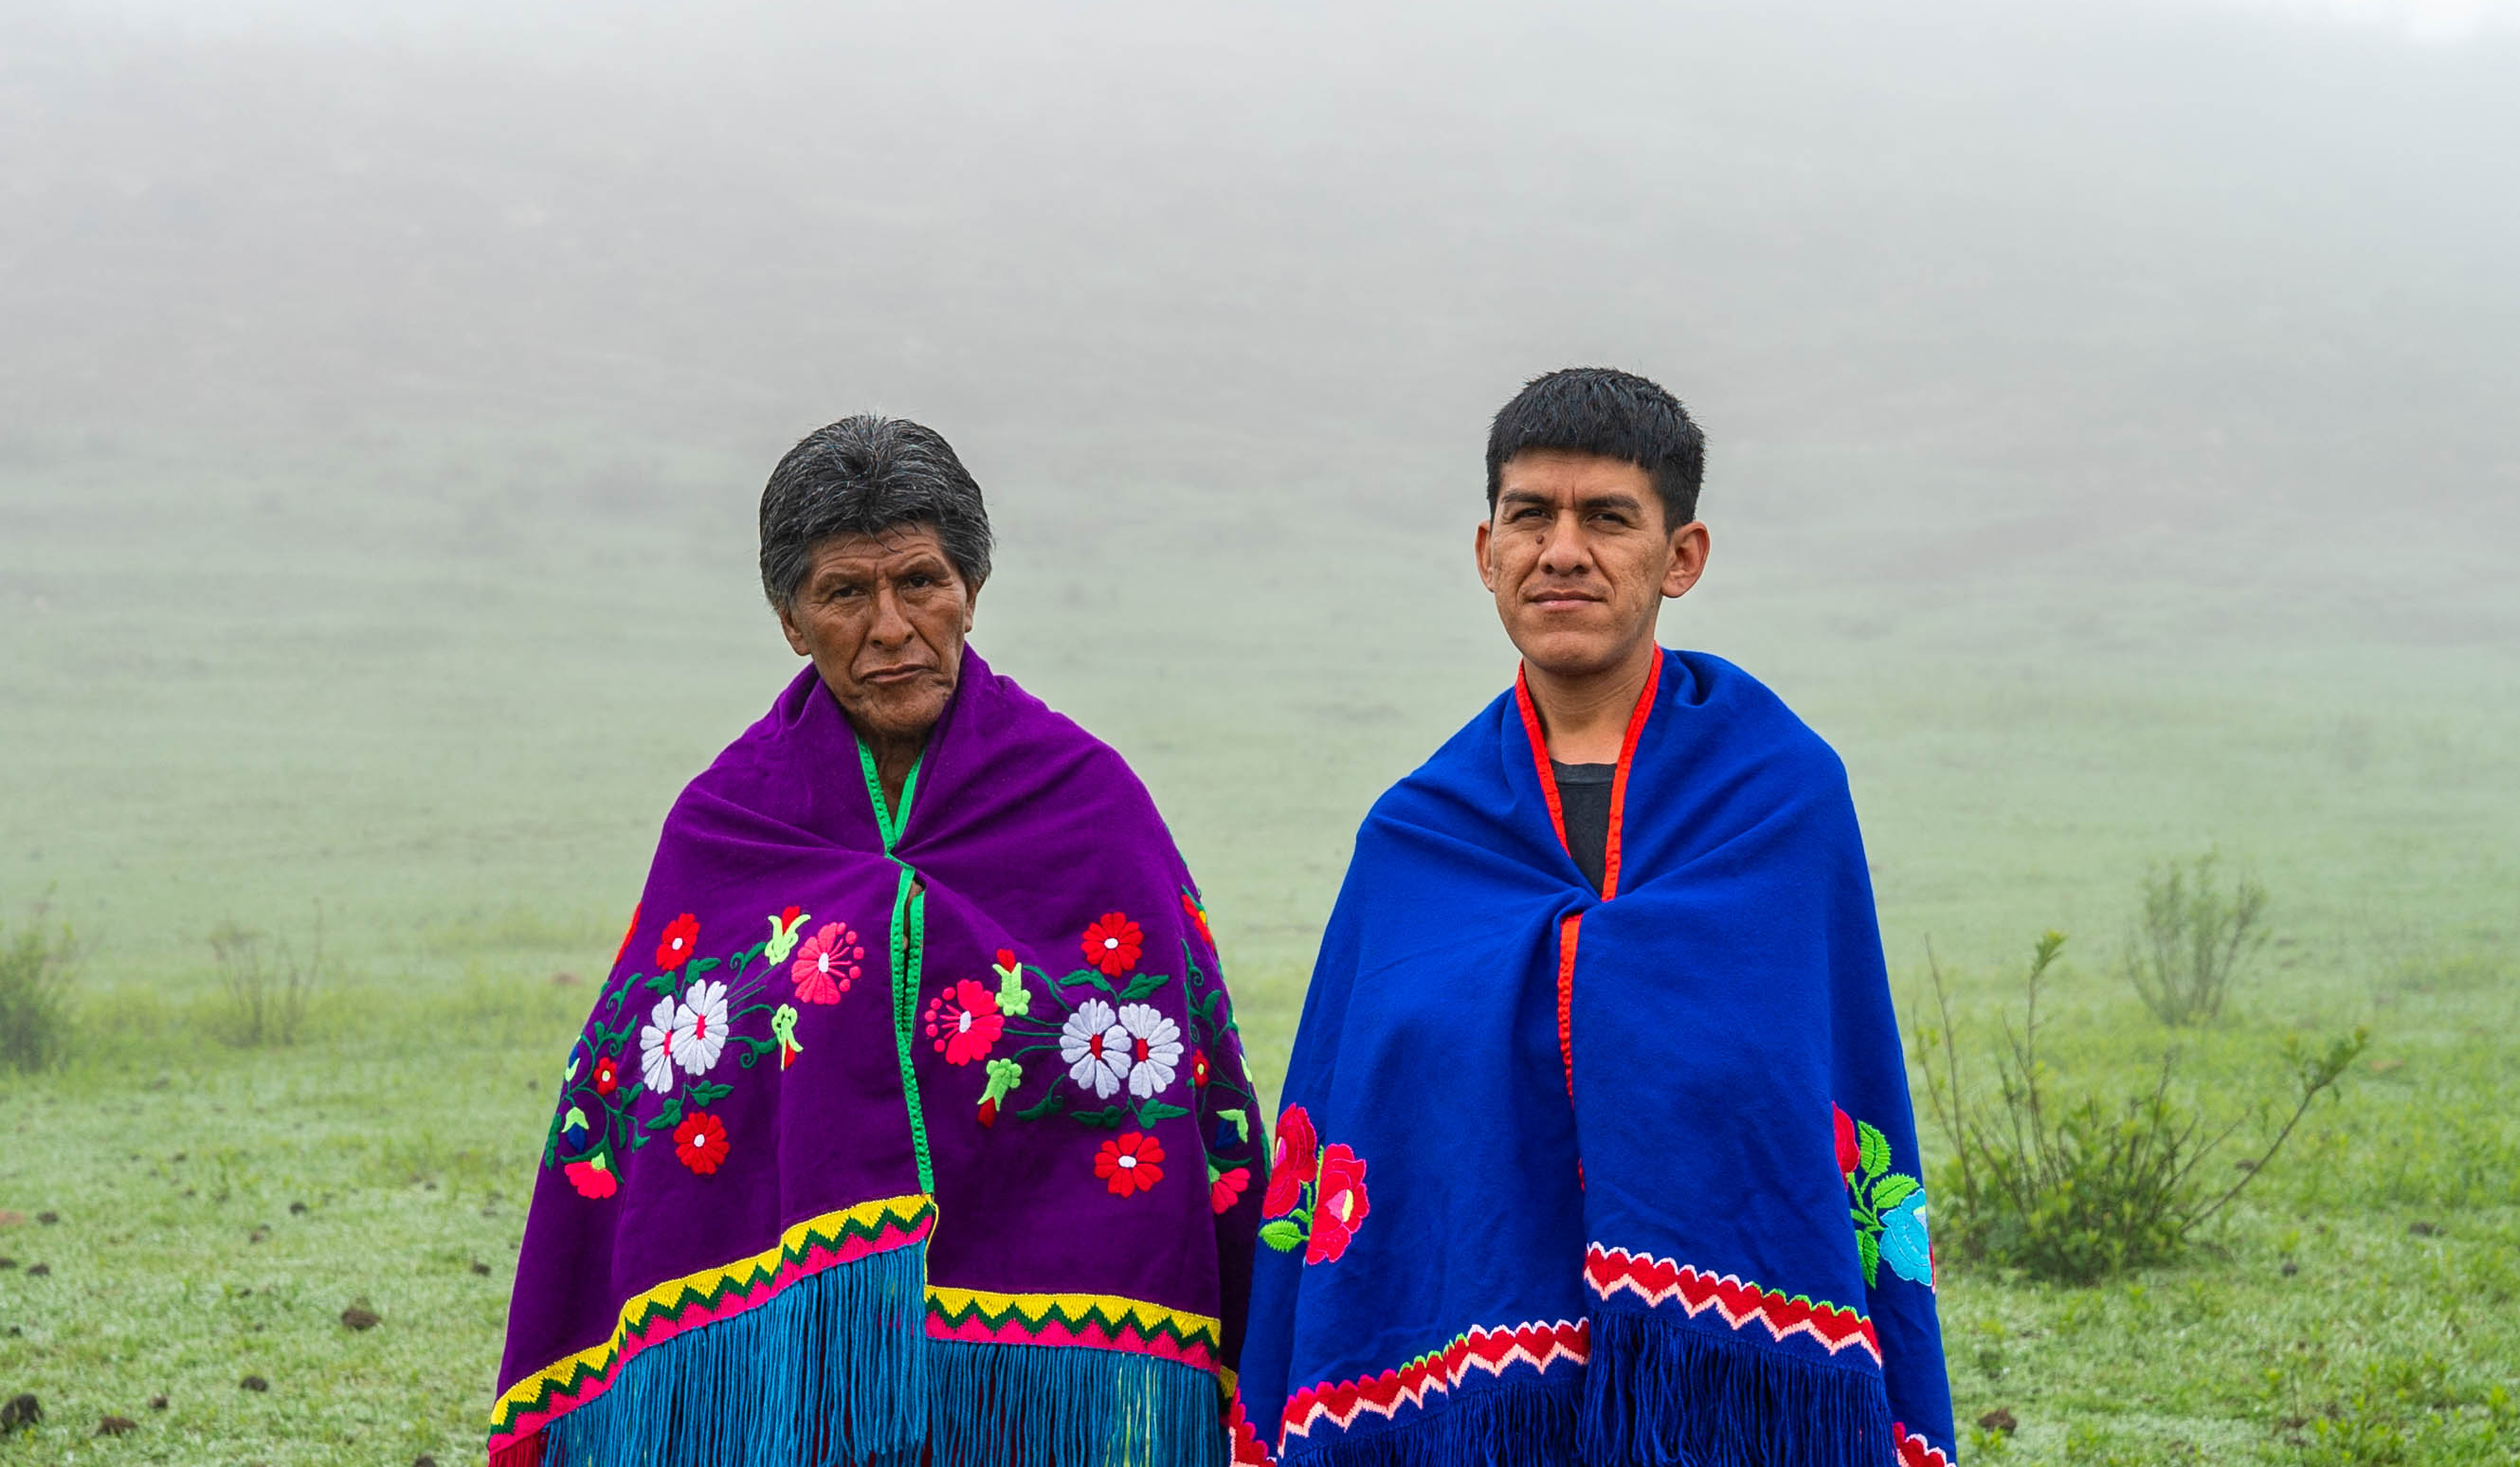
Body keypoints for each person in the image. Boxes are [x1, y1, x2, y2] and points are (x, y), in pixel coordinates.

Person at [490, 416, 1266, 1467]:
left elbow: (1183, 1063)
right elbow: (639, 1087)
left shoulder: (1085, 801)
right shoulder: (727, 822)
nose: (892, 626)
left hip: (1025, 1389)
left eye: (921, 582)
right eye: (845, 593)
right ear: (789, 620)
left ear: (973, 592)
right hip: (787, 1369)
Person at [1237, 370, 1955, 1467]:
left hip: (1724, 1402)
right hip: (1471, 1408)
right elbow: (1363, 1111)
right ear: (1486, 553)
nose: (1560, 550)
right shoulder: (1418, 834)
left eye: (1606, 517)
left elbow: (1823, 1082)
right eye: (1530, 515)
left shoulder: (1779, 797)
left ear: (1682, 557)